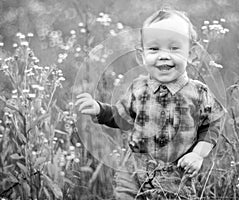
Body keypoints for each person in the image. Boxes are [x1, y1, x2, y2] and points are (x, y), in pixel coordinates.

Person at [75, 8, 226, 200]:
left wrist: (198, 154)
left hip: (175, 175)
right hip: (133, 171)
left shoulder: (198, 92)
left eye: (174, 48)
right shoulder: (138, 88)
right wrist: (99, 109)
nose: (163, 55)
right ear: (142, 56)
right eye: (154, 49)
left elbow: (213, 123)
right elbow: (122, 117)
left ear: (192, 53)